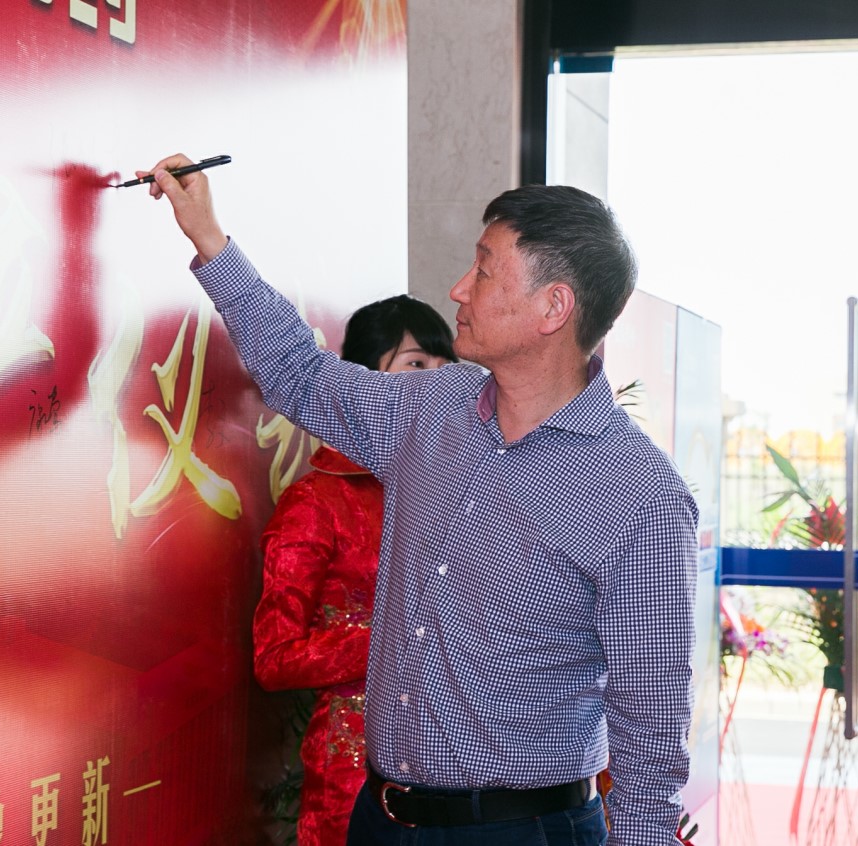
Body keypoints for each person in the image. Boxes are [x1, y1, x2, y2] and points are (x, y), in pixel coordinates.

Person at [140, 155, 698, 846]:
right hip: (381, 818)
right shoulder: (432, 407)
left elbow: (651, 729)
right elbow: (299, 373)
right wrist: (209, 237)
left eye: (484, 271)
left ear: (553, 308)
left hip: (520, 833)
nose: (458, 289)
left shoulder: (640, 496)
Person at [253, 295, 457, 846]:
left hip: (462, 780)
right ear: (360, 382)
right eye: (416, 364)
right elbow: (275, 658)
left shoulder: (456, 492)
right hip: (354, 776)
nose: (435, 383)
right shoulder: (317, 502)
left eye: (446, 368)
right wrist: (397, 638)